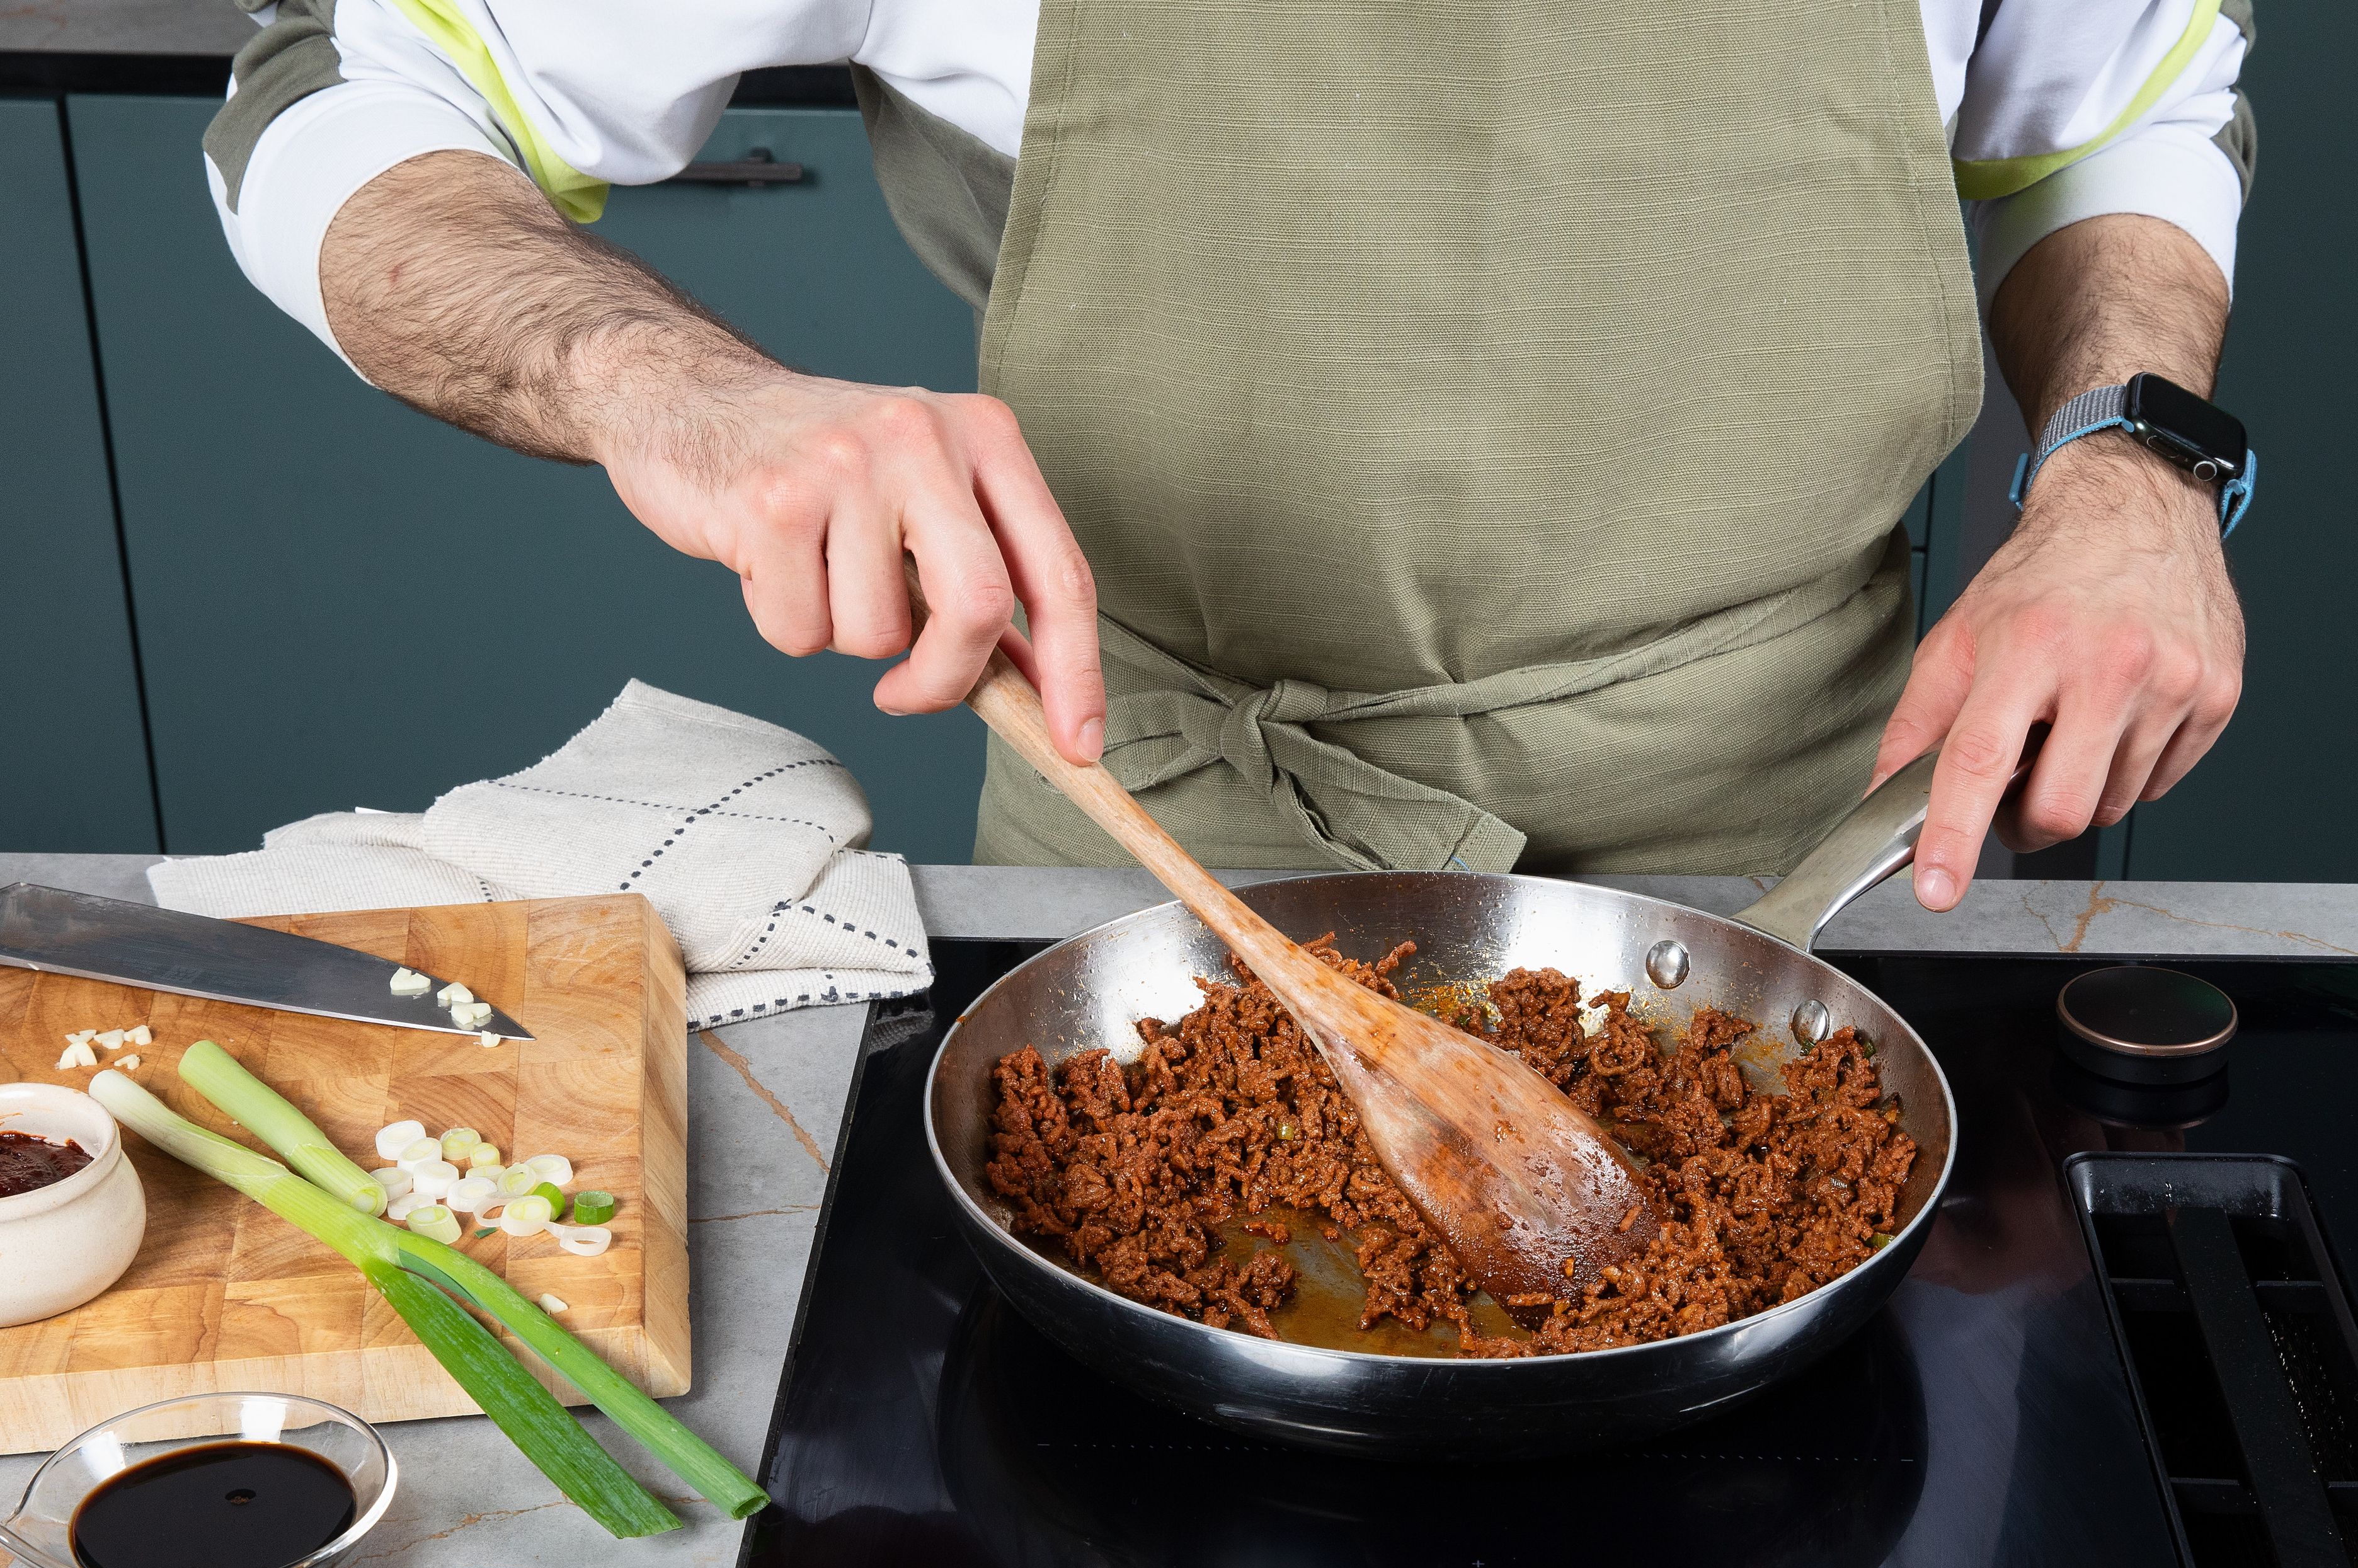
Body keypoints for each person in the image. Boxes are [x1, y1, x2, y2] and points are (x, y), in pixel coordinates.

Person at [206, 1, 2255, 906]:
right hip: (1173, 862)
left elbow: (2120, 113)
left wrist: (2131, 454)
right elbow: (353, 95)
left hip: (1839, 856)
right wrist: (684, 391)